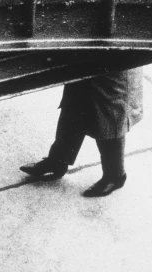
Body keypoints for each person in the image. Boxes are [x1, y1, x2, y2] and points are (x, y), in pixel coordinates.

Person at [20, 68, 144, 197]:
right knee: (74, 99)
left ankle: (115, 175)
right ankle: (58, 161)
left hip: (115, 58)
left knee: (109, 111)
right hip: (88, 54)